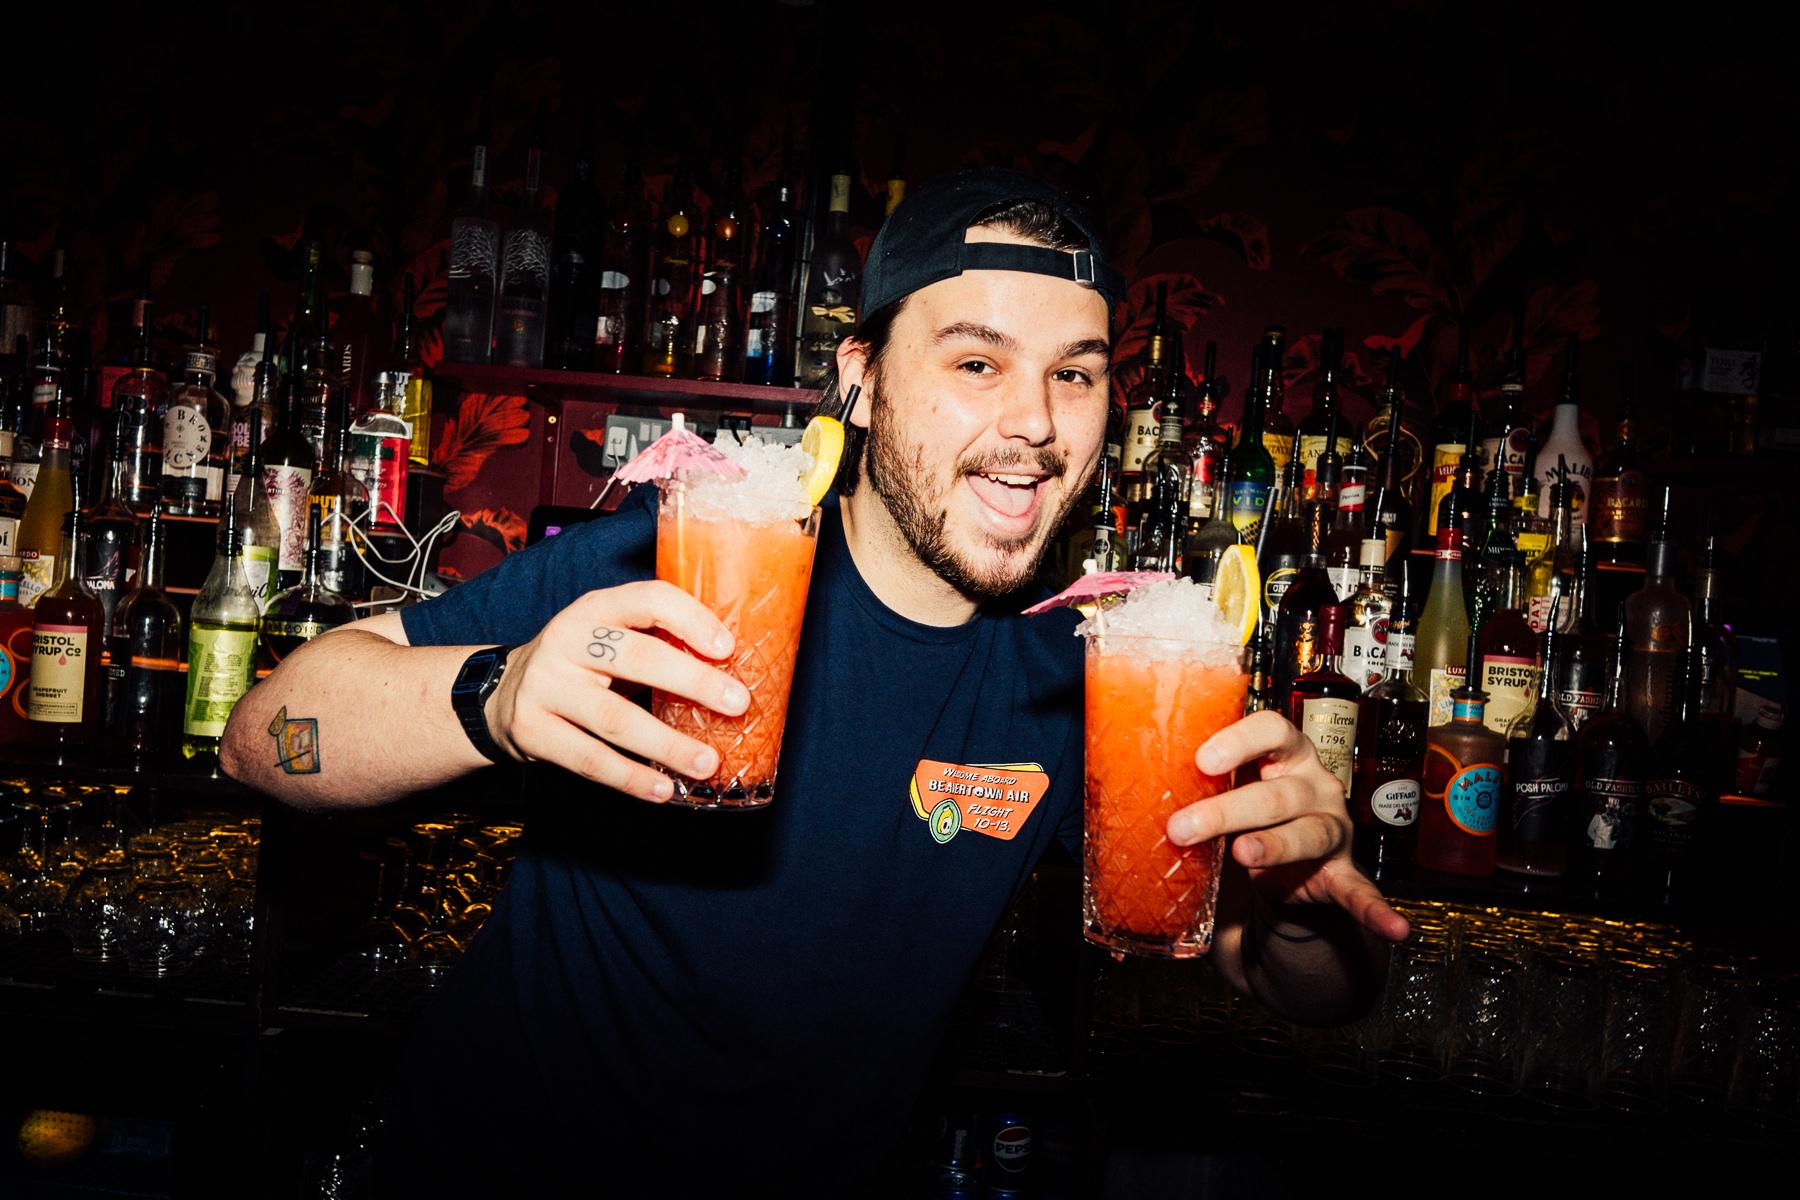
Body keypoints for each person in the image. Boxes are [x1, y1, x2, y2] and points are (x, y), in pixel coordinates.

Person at [223, 168, 1409, 1193]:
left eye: (1077, 375)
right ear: (862, 377)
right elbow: (266, 731)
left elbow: (1290, 981)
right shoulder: (690, 562)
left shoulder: (1088, 674)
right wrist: (497, 696)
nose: (1035, 424)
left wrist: (1306, 905)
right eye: (976, 361)